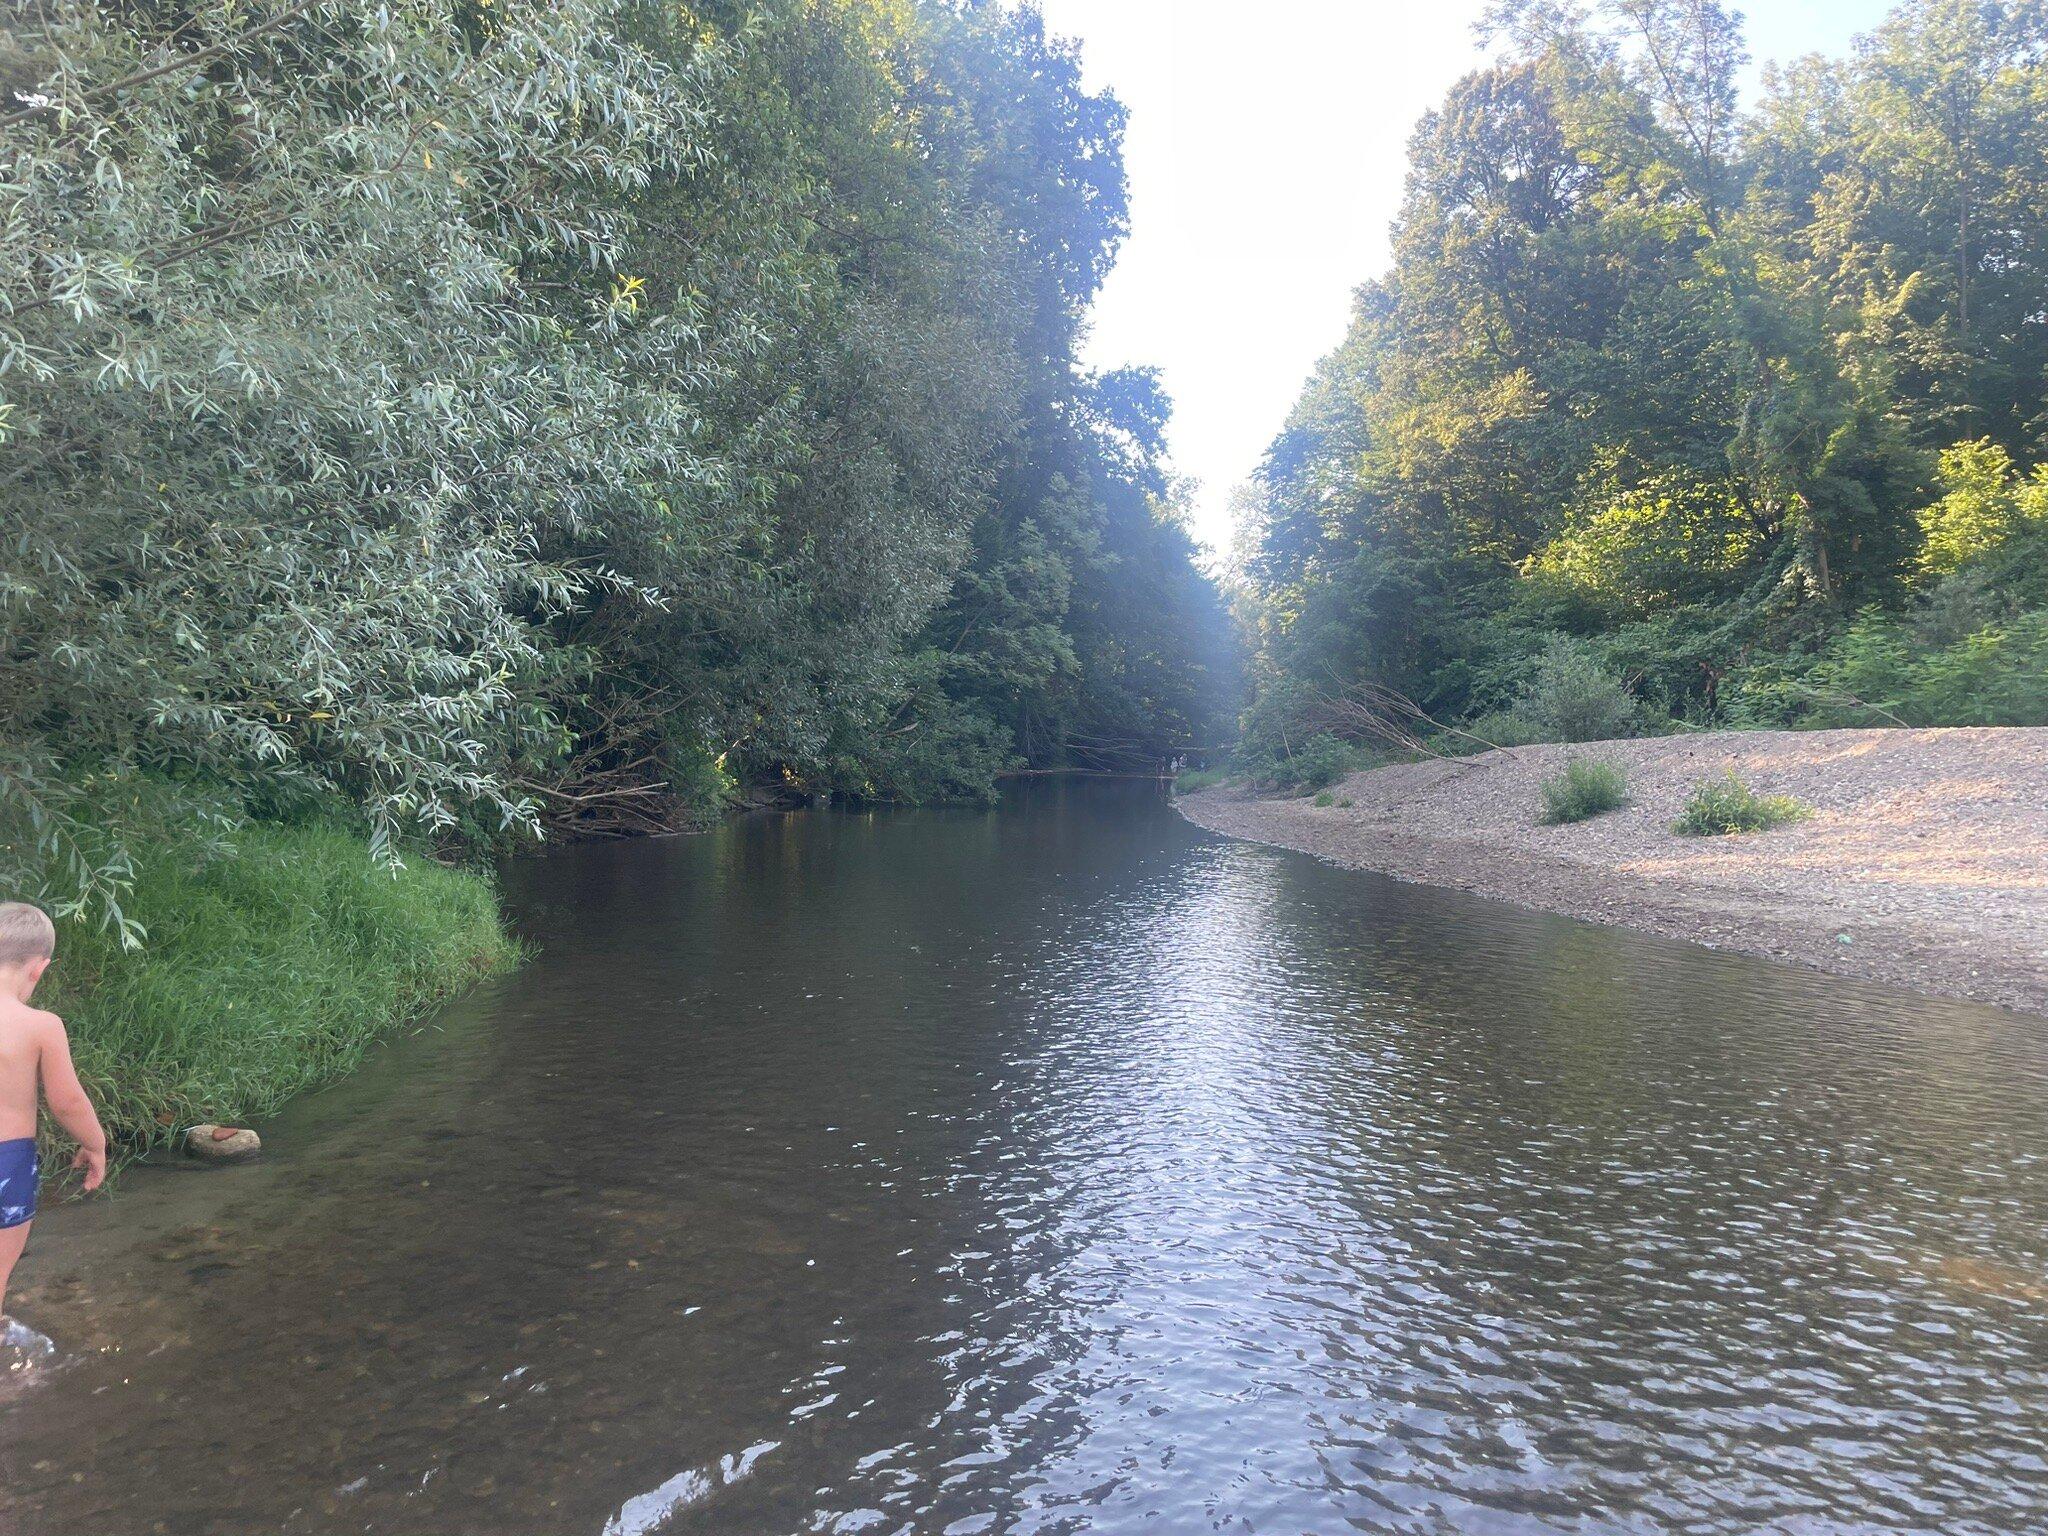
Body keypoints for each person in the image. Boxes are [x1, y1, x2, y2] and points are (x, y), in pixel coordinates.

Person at [0, 902, 107, 1326]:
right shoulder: (40, 1025)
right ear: (38, 969)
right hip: (7, 1162)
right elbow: (67, 1102)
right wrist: (95, 1144)